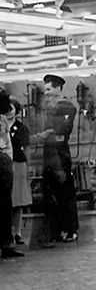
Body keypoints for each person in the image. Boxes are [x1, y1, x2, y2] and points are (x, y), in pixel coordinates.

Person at [38, 74, 79, 244]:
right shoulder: (50, 108)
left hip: (60, 153)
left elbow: (63, 129)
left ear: (57, 88)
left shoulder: (67, 107)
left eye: (49, 89)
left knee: (64, 192)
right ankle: (56, 229)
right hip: (49, 153)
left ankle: (69, 229)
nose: (46, 93)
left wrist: (49, 133)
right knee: (50, 192)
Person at [0, 89, 23, 258]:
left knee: (5, 205)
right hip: (4, 161)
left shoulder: (2, 120)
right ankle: (6, 244)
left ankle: (6, 243)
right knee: (5, 205)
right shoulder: (2, 120)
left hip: (5, 161)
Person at [9, 98, 30, 246]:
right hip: (4, 165)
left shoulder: (22, 128)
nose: (9, 111)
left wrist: (28, 166)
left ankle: (17, 232)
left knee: (17, 202)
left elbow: (26, 147)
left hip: (18, 165)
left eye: (12, 108)